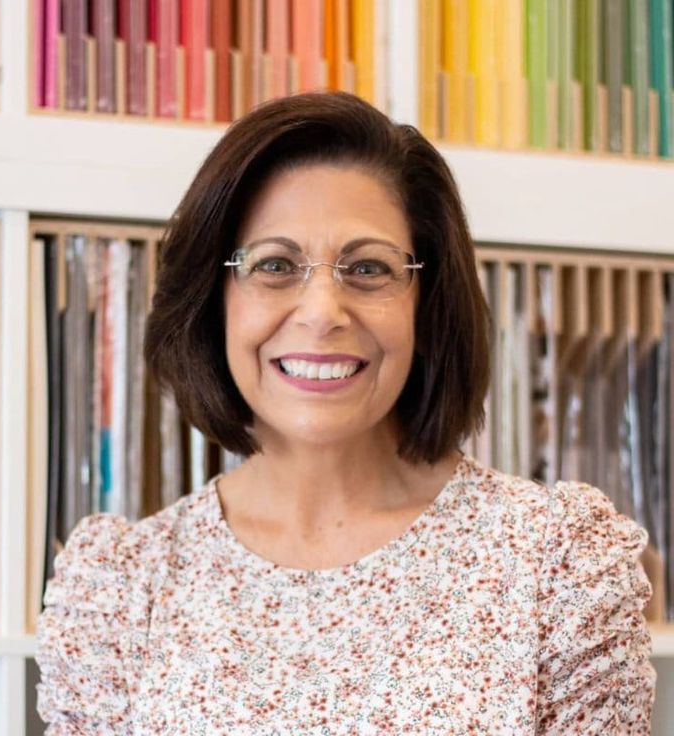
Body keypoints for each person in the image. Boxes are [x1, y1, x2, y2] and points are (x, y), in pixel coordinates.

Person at [36, 91, 655, 734]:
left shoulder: (556, 565)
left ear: (427, 302)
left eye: (368, 268)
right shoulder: (120, 591)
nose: (323, 312)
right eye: (274, 265)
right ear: (212, 298)